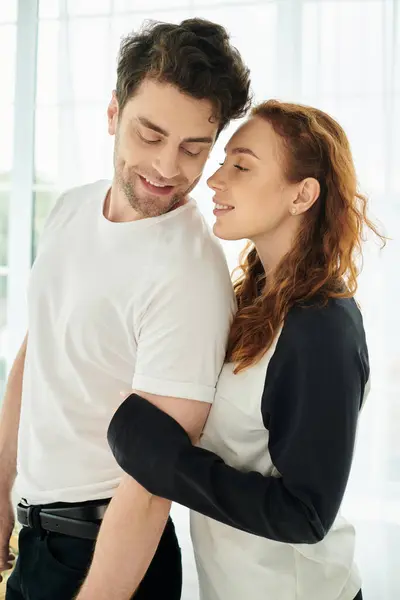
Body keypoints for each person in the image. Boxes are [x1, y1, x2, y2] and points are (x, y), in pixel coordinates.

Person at [0, 18, 251, 600]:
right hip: (38, 542)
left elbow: (151, 484)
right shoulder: (70, 209)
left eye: (194, 148)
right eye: (150, 134)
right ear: (113, 114)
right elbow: (37, 357)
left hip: (108, 558)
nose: (167, 167)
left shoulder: (190, 275)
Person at [107, 100, 386, 600]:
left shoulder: (322, 327)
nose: (215, 181)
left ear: (302, 195)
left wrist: (164, 462)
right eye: (222, 163)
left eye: (241, 166)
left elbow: (307, 513)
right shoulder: (252, 300)